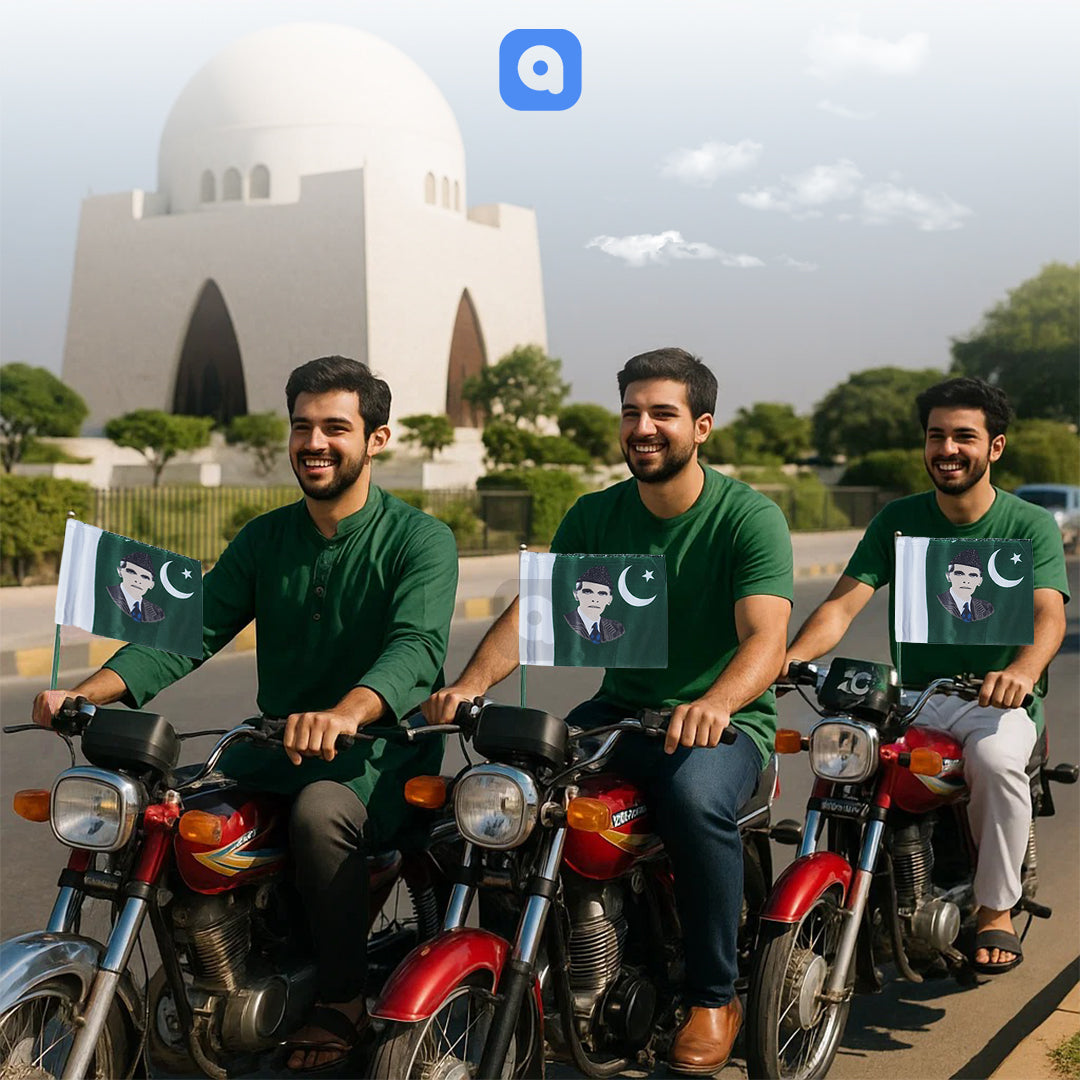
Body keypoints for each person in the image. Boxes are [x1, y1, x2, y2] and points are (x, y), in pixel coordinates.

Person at [32, 355, 459, 1072]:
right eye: (302, 427)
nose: (314, 443)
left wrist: (346, 712)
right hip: (277, 749)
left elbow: (415, 648)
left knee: (321, 813)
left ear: (376, 440)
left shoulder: (421, 540)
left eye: (335, 428)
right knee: (167, 810)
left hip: (378, 756)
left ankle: (344, 999)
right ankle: (209, 963)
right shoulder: (266, 539)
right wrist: (89, 691)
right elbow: (191, 629)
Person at [425, 347, 793, 1074]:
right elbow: (536, 612)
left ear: (703, 426)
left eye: (663, 413)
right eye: (632, 412)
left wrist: (715, 703)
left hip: (723, 727)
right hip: (622, 712)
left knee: (691, 798)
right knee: (502, 790)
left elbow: (766, 639)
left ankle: (714, 995)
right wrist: (469, 685)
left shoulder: (748, 518)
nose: (643, 427)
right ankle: (530, 961)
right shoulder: (597, 515)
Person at [785, 376, 1068, 975]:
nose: (948, 448)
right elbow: (841, 605)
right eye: (937, 435)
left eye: (964, 436)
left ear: (995, 447)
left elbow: (1049, 614)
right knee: (848, 763)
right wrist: (791, 658)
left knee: (993, 763)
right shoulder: (899, 520)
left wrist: (1020, 671)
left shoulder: (1027, 524)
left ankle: (993, 908)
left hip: (995, 701)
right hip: (913, 698)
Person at [564, 564, 625, 643]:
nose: (595, 599)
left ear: (609, 599)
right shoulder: (566, 622)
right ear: (576, 595)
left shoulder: (617, 629)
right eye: (588, 592)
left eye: (602, 594)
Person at [106, 549, 166, 623]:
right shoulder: (107, 595)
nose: (137, 580)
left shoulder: (157, 612)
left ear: (151, 584)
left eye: (145, 577)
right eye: (131, 572)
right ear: (120, 572)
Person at [937, 547, 994, 621]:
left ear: (980, 581)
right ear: (948, 576)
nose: (966, 581)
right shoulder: (939, 602)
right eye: (959, 574)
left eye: (973, 575)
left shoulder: (986, 608)